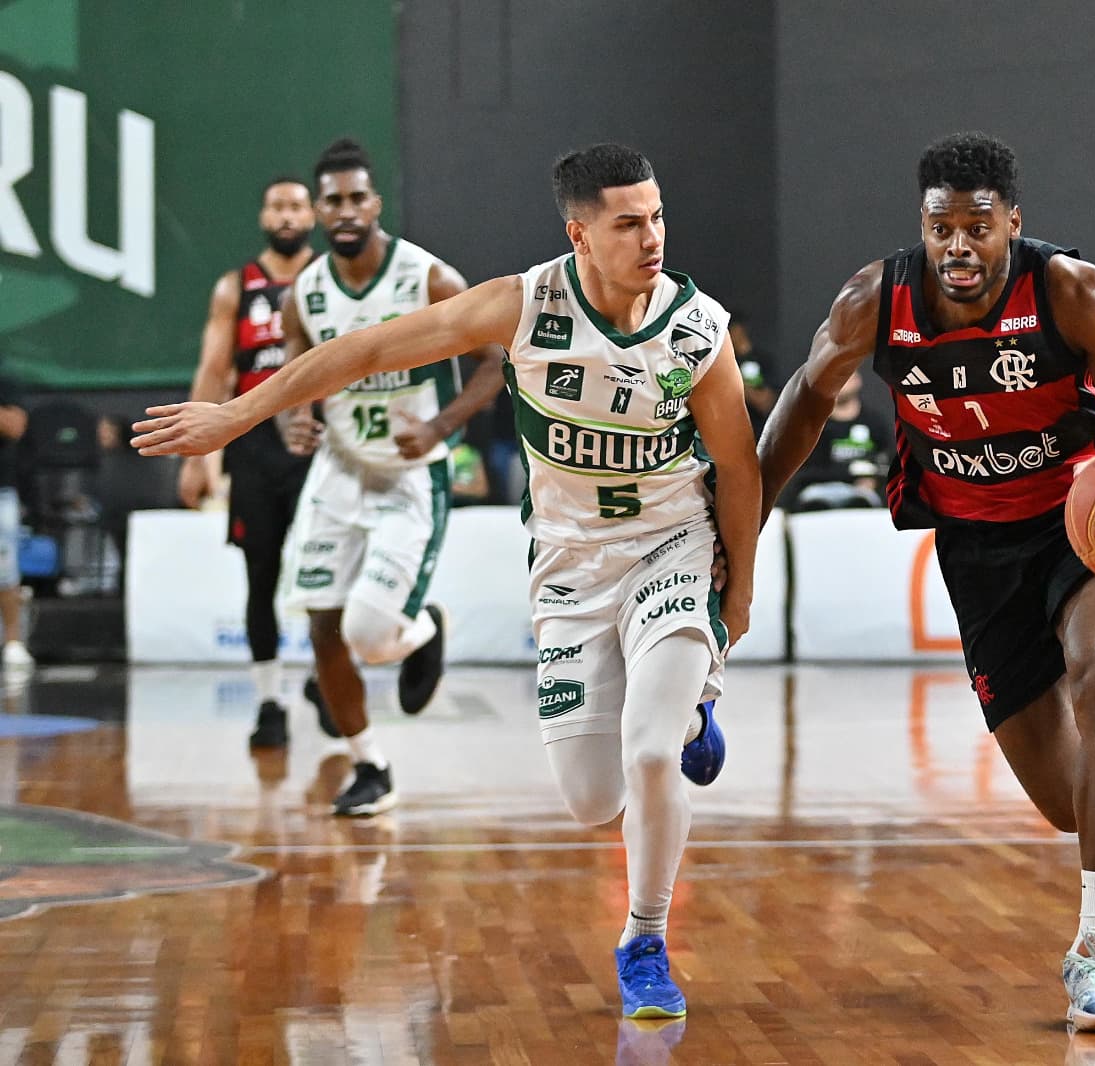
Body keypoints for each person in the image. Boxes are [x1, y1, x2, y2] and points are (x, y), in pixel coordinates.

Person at [132, 143, 758, 1021]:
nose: (651, 236)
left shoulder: (697, 326)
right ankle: (684, 708)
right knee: (592, 801)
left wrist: (738, 593)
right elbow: (365, 349)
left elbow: (738, 465)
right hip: (571, 563)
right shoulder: (520, 302)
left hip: (670, 545)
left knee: (652, 755)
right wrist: (237, 415)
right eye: (628, 222)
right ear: (579, 234)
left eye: (656, 216)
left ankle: (644, 937)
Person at [756, 133, 1095, 1033]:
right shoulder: (875, 301)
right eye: (941, 226)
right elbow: (804, 394)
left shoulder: (1075, 291)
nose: (958, 245)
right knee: (1069, 805)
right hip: (977, 547)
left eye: (978, 227)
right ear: (922, 227)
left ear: (1012, 225)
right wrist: (745, 515)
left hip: (1086, 520)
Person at [274, 138, 505, 815]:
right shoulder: (306, 294)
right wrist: (296, 420)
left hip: (411, 475)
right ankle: (371, 765)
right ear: (319, 210)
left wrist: (438, 428)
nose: (345, 210)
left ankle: (423, 628)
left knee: (369, 637)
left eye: (357, 198)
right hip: (339, 472)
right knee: (321, 629)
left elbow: (496, 363)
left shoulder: (429, 279)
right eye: (332, 200)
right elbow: (294, 380)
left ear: (375, 203)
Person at [178, 176, 317, 748]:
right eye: (277, 205)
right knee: (260, 575)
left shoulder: (332, 281)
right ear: (264, 216)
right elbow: (215, 371)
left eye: (296, 205)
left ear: (313, 214)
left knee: (327, 576)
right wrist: (195, 452)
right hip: (255, 445)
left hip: (319, 439)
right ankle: (268, 701)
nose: (287, 215)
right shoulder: (237, 285)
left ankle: (325, 681)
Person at [778, 369, 892, 510]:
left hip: (862, 493)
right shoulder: (812, 426)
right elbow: (804, 471)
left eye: (845, 376)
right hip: (818, 491)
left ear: (858, 380)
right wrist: (850, 472)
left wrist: (873, 480)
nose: (840, 383)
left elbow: (887, 462)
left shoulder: (875, 423)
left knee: (863, 502)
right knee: (814, 503)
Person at [0, 368, 31, 671]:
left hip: (0, 490)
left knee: (5, 571)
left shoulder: (5, 379)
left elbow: (14, 426)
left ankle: (13, 642)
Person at [729, 311, 777, 433]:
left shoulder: (762, 360)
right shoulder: (726, 363)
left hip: (758, 431)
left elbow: (765, 402)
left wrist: (738, 386)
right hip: (732, 430)